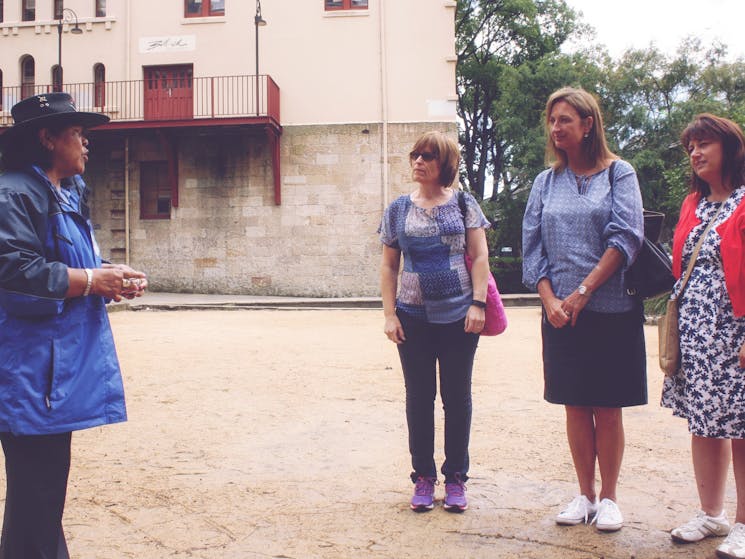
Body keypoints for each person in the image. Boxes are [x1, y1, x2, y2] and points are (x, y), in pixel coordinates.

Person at [0, 92, 147, 558]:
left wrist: (108, 274)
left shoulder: (62, 190)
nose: (87, 144)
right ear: (46, 139)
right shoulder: (13, 192)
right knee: (38, 490)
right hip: (28, 369)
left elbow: (63, 259)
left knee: (39, 494)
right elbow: (13, 274)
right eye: (77, 134)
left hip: (54, 368)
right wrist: (89, 280)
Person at [521, 86, 646, 531]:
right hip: (559, 312)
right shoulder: (544, 182)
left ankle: (610, 498)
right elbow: (531, 247)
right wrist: (551, 299)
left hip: (609, 309)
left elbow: (625, 236)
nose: (556, 128)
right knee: (574, 405)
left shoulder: (619, 174)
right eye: (552, 121)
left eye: (565, 120)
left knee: (607, 406)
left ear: (588, 124)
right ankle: (584, 496)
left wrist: (584, 292)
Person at [379, 131, 490, 512]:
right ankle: (423, 476)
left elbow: (478, 256)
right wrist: (390, 313)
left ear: (444, 163)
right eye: (415, 155)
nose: (418, 161)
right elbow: (390, 264)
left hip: (459, 316)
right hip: (413, 318)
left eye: (427, 156)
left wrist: (478, 304)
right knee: (419, 399)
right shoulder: (397, 209)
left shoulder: (463, 203)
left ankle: (456, 477)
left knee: (457, 399)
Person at [661, 114, 745, 559]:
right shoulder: (693, 203)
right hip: (697, 332)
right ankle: (711, 514)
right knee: (705, 422)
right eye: (691, 146)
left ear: (730, 148)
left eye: (704, 144)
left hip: (735, 330)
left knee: (741, 426)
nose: (695, 153)